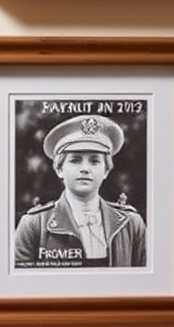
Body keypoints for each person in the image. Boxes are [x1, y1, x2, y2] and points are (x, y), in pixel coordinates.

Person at [14, 114, 147, 268]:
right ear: (59, 169)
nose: (85, 169)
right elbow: (21, 286)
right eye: (75, 160)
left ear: (106, 171)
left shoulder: (131, 224)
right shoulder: (34, 225)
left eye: (95, 161)